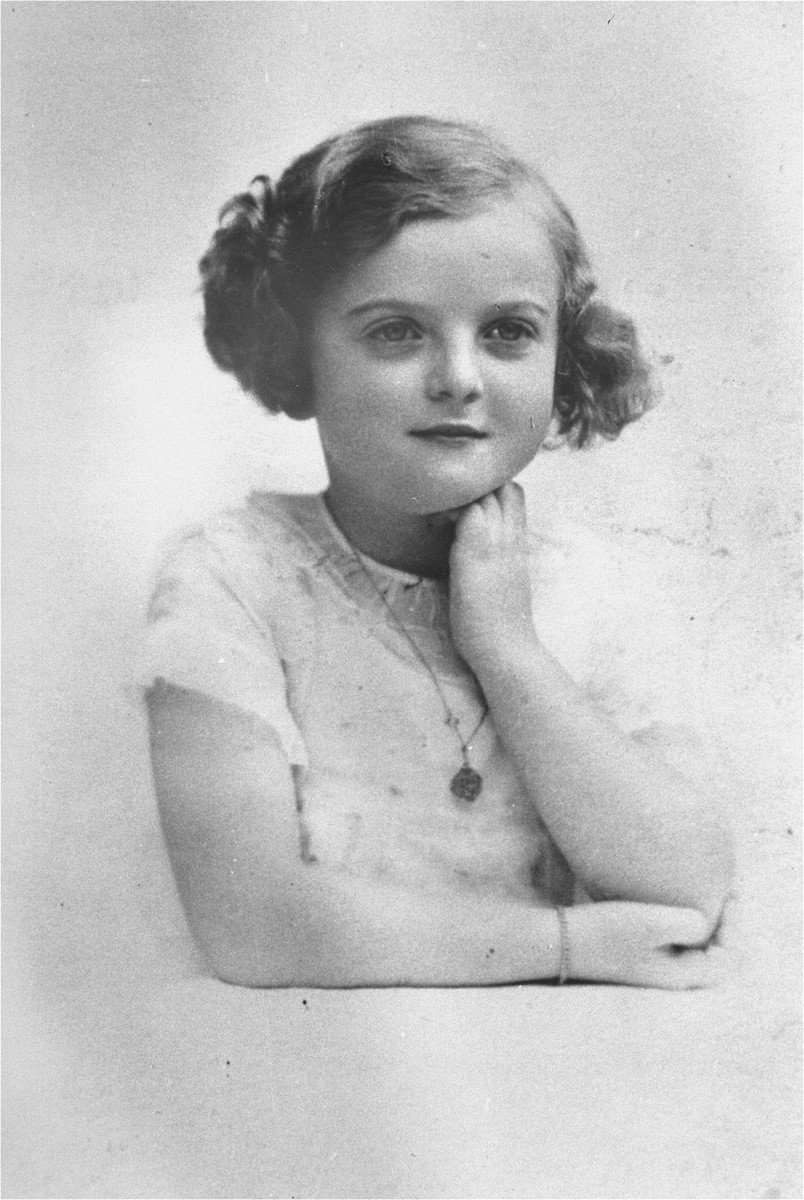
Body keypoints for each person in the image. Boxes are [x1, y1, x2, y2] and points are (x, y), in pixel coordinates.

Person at [144, 115, 733, 989]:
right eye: (395, 332)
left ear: (563, 356)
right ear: (296, 350)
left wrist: (507, 647)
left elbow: (689, 896)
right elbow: (252, 926)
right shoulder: (233, 577)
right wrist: (569, 947)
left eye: (507, 332)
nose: (459, 376)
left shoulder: (594, 584)